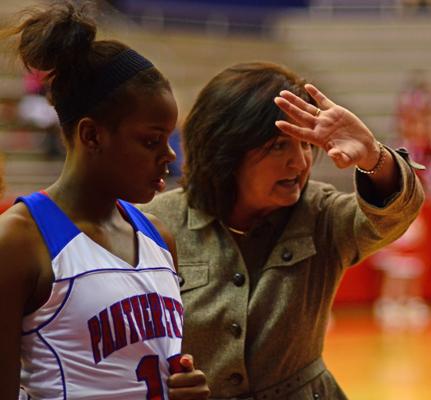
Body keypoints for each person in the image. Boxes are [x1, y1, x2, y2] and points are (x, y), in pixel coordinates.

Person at [141, 62, 425, 399]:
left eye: (305, 144)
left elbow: (391, 216)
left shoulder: (320, 213)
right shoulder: (154, 223)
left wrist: (373, 157)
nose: (300, 162)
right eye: (279, 146)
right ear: (225, 150)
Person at [0, 2, 209, 399]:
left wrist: (183, 387)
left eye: (169, 139)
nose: (169, 156)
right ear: (92, 135)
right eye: (151, 141)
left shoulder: (158, 238)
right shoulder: (17, 241)